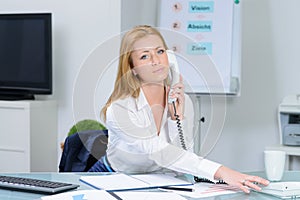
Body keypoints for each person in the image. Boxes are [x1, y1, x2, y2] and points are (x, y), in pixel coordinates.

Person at [89, 25, 269, 193]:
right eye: (145, 56)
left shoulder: (182, 101)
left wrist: (177, 118)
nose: (156, 61)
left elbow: (183, 156)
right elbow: (158, 152)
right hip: (114, 178)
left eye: (160, 52)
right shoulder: (120, 109)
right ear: (132, 69)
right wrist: (222, 172)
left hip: (161, 181)